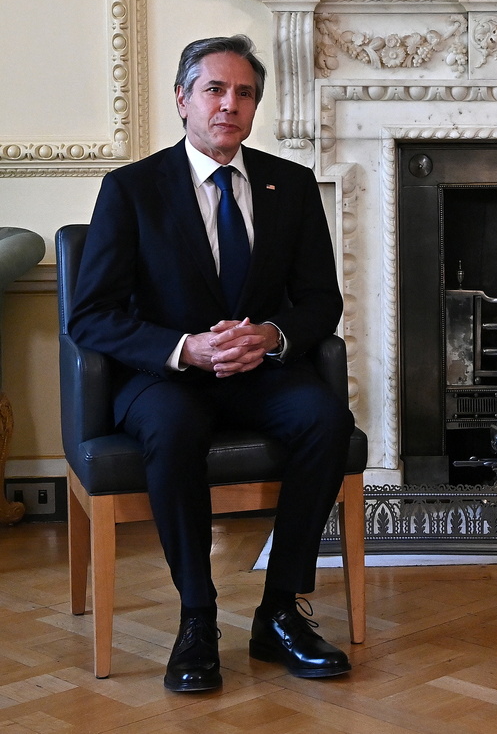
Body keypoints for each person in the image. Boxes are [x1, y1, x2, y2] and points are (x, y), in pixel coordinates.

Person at [69, 35, 355, 692]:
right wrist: (185, 348)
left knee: (325, 419)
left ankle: (279, 611)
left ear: (255, 106)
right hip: (165, 376)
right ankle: (197, 618)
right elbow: (90, 315)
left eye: (244, 93)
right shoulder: (132, 189)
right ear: (183, 99)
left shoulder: (291, 185)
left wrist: (271, 335)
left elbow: (322, 300)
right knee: (174, 428)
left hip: (260, 371)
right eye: (215, 90)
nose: (230, 104)